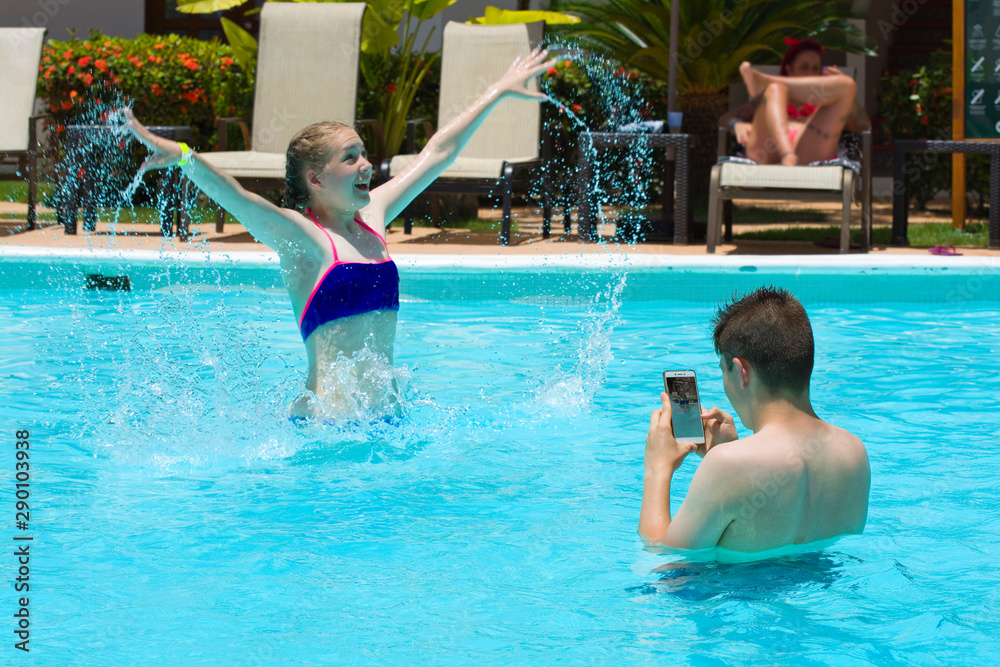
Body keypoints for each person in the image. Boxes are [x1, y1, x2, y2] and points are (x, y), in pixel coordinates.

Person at [124, 49, 554, 420]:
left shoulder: (375, 216)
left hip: (387, 420)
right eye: (350, 158)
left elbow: (437, 153)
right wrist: (185, 157)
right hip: (326, 428)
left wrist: (497, 91)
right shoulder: (305, 240)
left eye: (363, 153)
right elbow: (238, 199)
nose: (366, 165)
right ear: (315, 178)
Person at [638, 287, 870, 553]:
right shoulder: (854, 451)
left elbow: (664, 570)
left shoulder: (727, 465)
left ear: (741, 371)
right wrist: (725, 450)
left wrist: (657, 470)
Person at [720, 38, 871, 166]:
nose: (810, 73)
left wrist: (847, 96)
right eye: (804, 67)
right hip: (766, 150)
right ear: (789, 69)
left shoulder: (824, 101)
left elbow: (863, 125)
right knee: (775, 89)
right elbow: (724, 118)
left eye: (815, 68)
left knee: (847, 84)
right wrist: (737, 124)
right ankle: (788, 154)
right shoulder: (771, 94)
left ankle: (765, 80)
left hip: (809, 149)